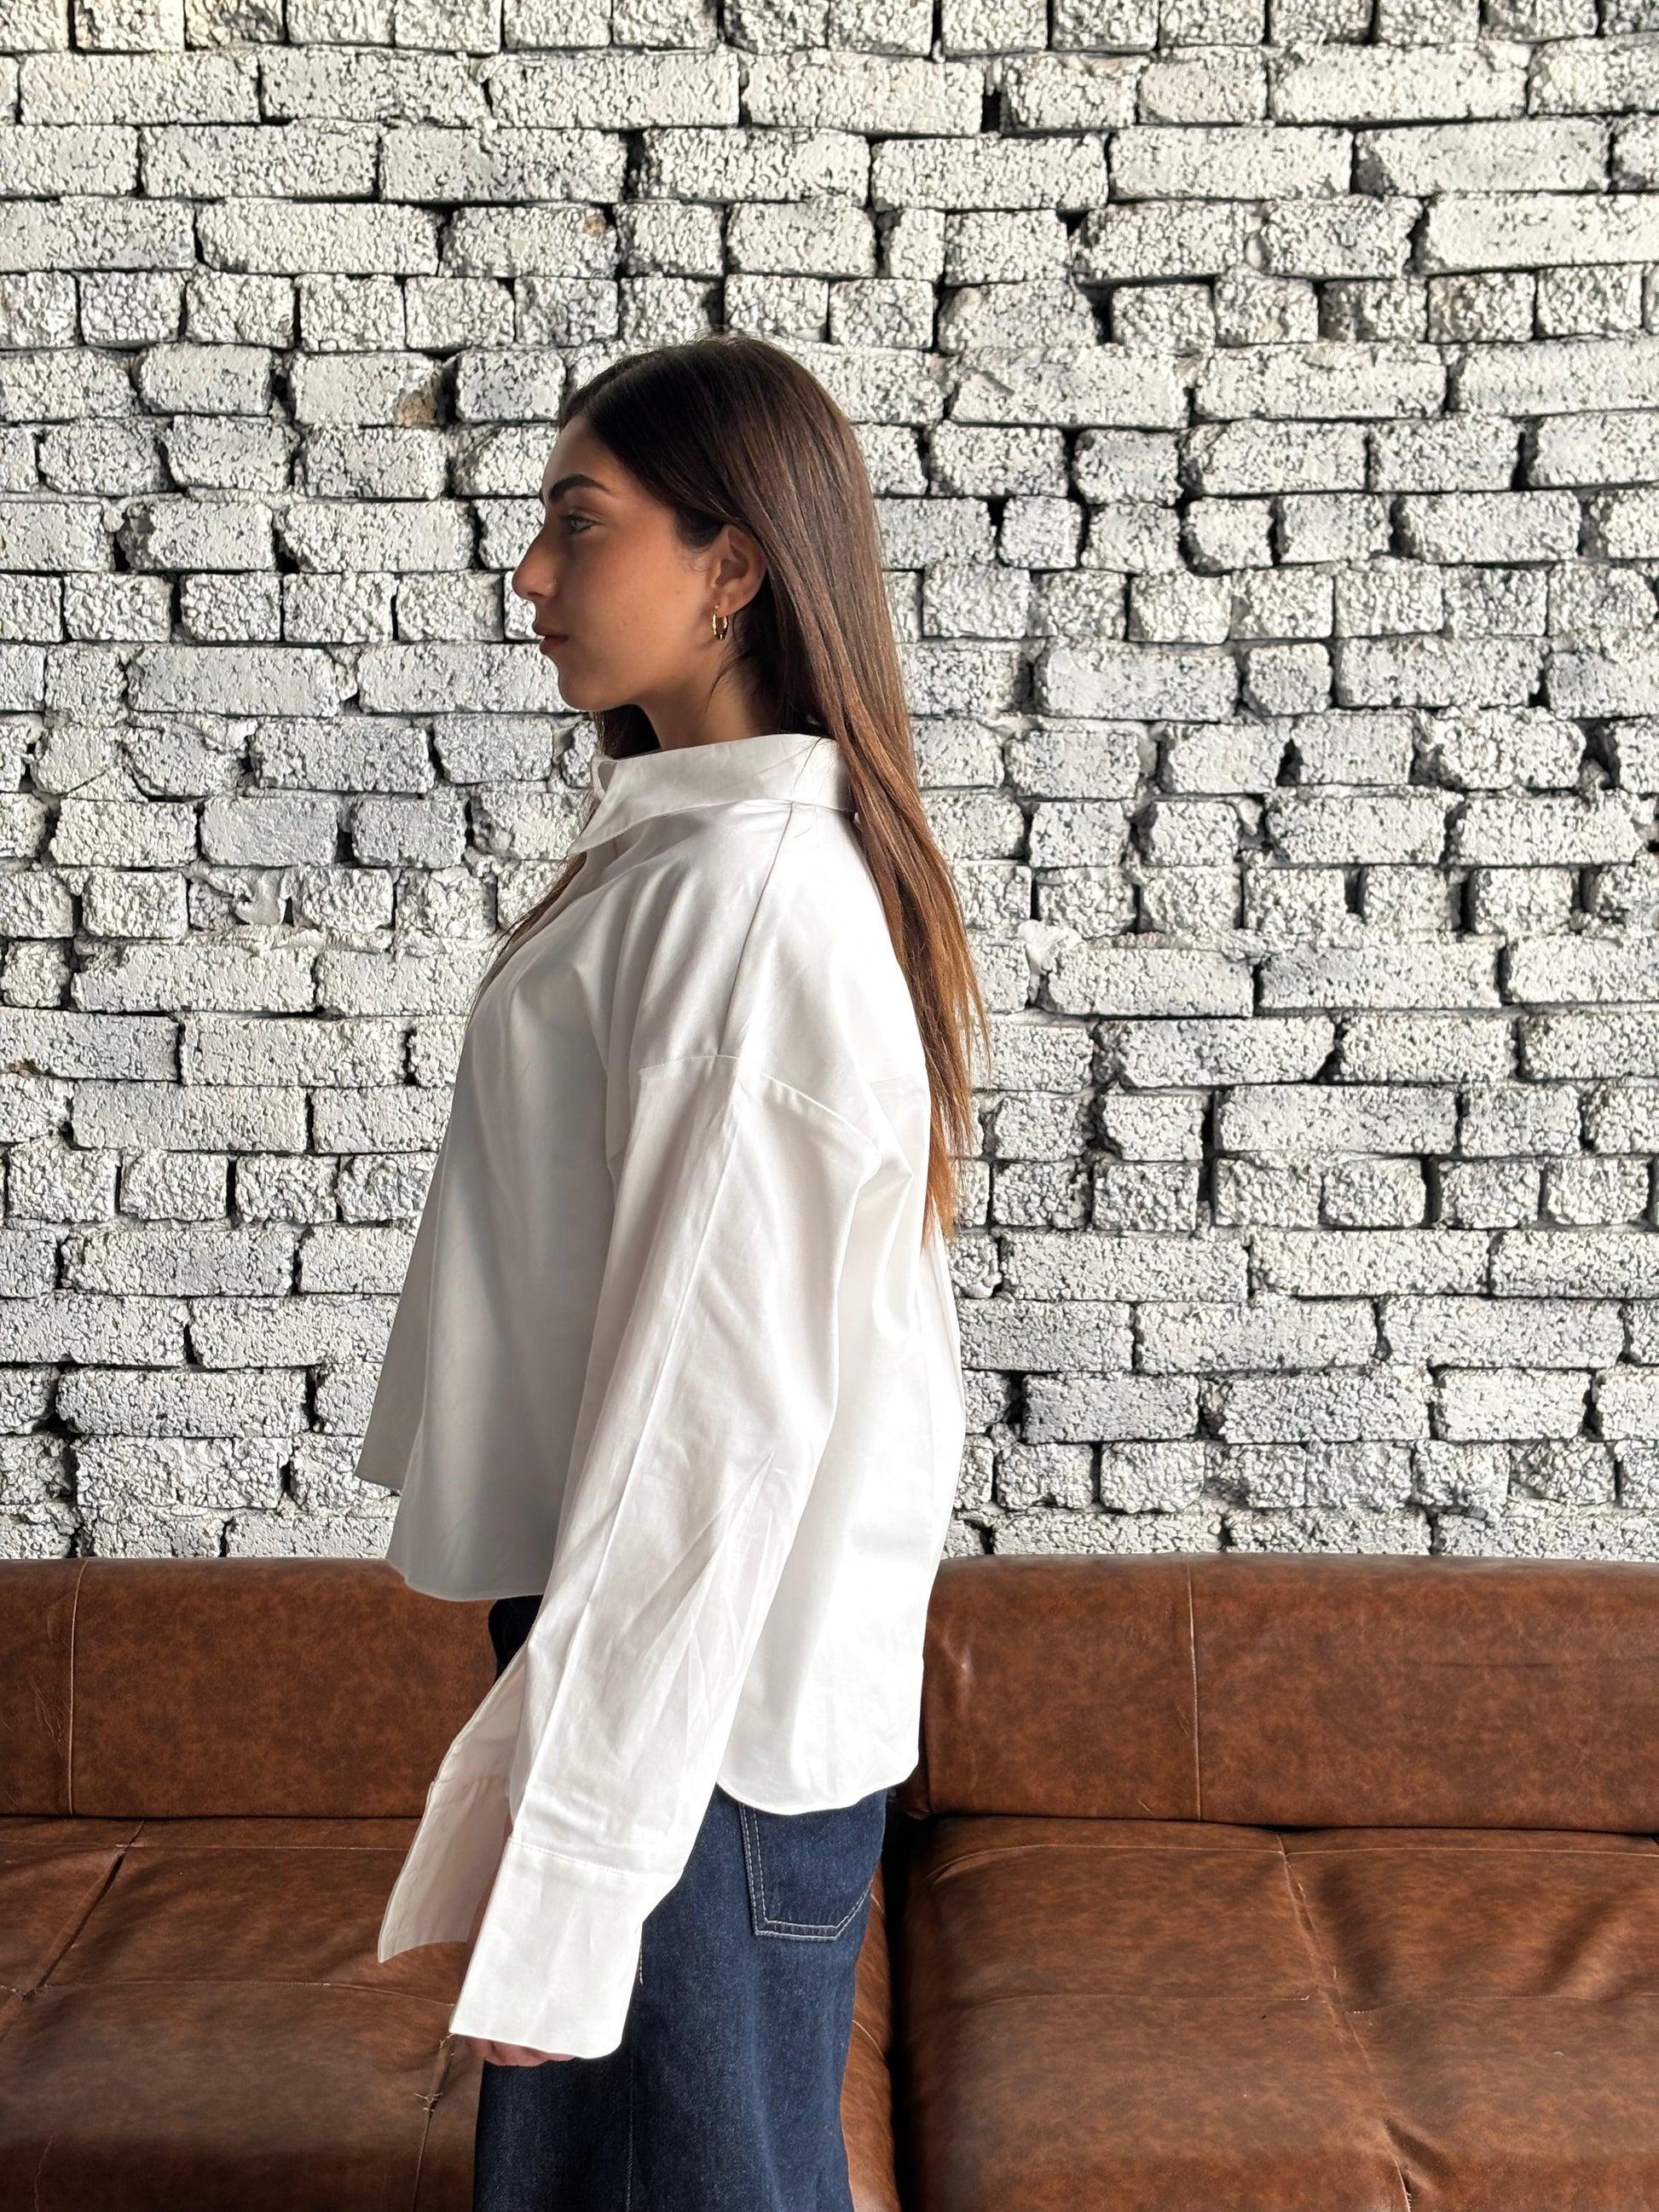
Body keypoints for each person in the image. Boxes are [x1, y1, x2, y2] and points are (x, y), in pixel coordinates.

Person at [350, 332, 986, 2211]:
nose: (527, 573)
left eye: (578, 522)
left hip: (693, 1712)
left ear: (732, 567)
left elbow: (711, 1424)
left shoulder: (750, 902)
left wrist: (576, 1865)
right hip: (641, 1666)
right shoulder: (686, 860)